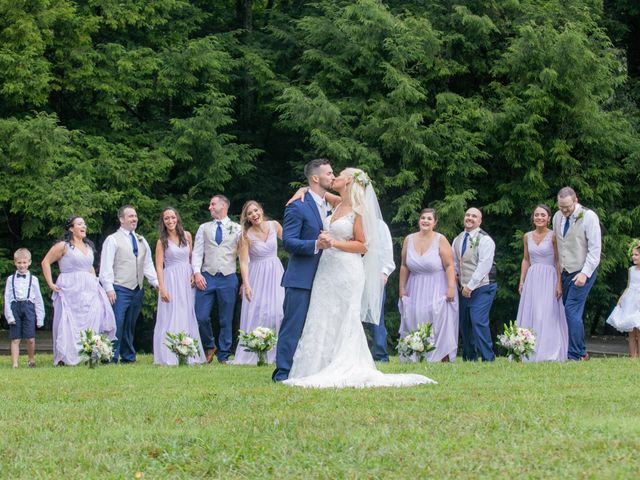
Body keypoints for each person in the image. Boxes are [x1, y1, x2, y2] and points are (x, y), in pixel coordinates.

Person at [283, 168, 434, 388]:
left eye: (340, 174)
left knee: (345, 317)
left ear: (350, 181)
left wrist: (334, 243)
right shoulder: (337, 202)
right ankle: (315, 366)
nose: (334, 176)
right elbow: (318, 191)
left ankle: (343, 364)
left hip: (346, 270)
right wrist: (303, 188)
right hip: (326, 271)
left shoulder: (359, 209)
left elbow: (363, 245)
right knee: (322, 315)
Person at [272, 158, 336, 382]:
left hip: (325, 277)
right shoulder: (296, 205)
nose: (333, 177)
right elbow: (288, 242)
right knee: (293, 325)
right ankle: (282, 373)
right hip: (301, 278)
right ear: (315, 178)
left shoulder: (329, 204)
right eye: (329, 173)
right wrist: (315, 245)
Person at [42, 217, 117, 366]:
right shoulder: (63, 246)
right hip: (70, 287)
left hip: (88, 288)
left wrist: (96, 283)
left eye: (84, 224)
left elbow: (89, 267)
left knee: (91, 319)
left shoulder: (88, 247)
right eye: (80, 224)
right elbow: (45, 262)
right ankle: (66, 356)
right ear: (71, 228)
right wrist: (50, 283)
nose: (84, 226)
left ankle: (88, 353)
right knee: (68, 321)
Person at [100, 205, 158, 363]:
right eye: (130, 216)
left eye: (135, 216)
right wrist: (109, 288)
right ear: (121, 219)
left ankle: (128, 356)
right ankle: (110, 356)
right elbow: (106, 266)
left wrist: (156, 283)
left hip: (137, 288)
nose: (134, 219)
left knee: (131, 324)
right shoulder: (112, 240)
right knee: (116, 323)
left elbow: (148, 265)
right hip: (119, 287)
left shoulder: (141, 239)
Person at [399, 208, 458, 362]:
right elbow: (404, 266)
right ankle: (417, 353)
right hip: (415, 286)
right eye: (423, 218)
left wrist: (451, 288)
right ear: (419, 220)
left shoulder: (440, 239)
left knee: (437, 319)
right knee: (414, 318)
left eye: (429, 219)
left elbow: (449, 265)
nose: (425, 221)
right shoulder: (409, 239)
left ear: (435, 222)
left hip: (437, 285)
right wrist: (402, 288)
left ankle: (441, 356)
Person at [232, 200, 285, 365]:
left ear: (261, 210)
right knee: (260, 312)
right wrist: (246, 283)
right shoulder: (245, 235)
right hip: (257, 275)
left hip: (276, 272)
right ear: (247, 218)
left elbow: (290, 242)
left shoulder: (274, 225)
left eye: (256, 211)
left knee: (278, 311)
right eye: (250, 213)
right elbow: (244, 262)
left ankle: (279, 351)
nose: (254, 215)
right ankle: (258, 351)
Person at [552, 187, 601, 361]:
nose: (564, 210)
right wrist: (559, 277)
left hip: (583, 270)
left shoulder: (589, 216)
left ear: (575, 200)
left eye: (567, 207)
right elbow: (559, 247)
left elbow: (595, 251)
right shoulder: (557, 217)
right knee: (570, 311)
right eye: (561, 206)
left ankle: (575, 355)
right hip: (566, 271)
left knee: (571, 309)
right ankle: (582, 352)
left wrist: (584, 274)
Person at [192, 195, 241, 364]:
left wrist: (244, 279)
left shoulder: (237, 228)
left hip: (228, 276)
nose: (210, 207)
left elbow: (243, 256)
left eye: (213, 204)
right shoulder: (203, 228)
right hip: (207, 276)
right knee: (201, 315)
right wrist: (197, 273)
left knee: (226, 318)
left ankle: (224, 355)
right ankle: (209, 344)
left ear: (223, 205)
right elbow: (197, 252)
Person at [153, 207, 205, 365]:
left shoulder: (187, 236)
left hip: (186, 281)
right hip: (171, 279)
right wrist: (162, 288)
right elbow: (159, 267)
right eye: (166, 218)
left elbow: (191, 259)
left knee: (187, 313)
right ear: (163, 221)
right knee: (170, 315)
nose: (170, 221)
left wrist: (193, 273)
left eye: (172, 217)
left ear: (177, 218)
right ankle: (169, 353)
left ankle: (188, 350)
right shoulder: (161, 242)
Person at [516, 205, 568, 361]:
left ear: (549, 218)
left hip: (549, 277)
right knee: (531, 311)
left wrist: (559, 283)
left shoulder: (553, 236)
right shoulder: (527, 236)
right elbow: (526, 259)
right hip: (532, 278)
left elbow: (558, 260)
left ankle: (548, 351)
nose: (539, 218)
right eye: (536, 215)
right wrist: (522, 280)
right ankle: (527, 349)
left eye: (543, 215)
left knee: (545, 314)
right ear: (533, 217)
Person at [452, 207, 497, 362]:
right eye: (467, 215)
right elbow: (456, 262)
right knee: (465, 324)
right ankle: (469, 357)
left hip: (483, 287)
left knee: (478, 320)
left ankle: (488, 357)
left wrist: (470, 286)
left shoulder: (485, 239)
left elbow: (485, 265)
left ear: (480, 221)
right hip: (463, 287)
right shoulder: (457, 239)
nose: (470, 218)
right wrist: (456, 279)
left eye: (474, 216)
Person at [4, 248, 45, 368]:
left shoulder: (34, 279)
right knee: (15, 338)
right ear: (15, 263)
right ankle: (15, 364)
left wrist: (40, 318)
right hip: (15, 307)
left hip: (29, 307)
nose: (22, 265)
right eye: (19, 263)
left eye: (24, 262)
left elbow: (38, 299)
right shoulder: (10, 279)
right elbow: (7, 298)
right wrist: (9, 316)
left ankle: (31, 360)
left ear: (29, 262)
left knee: (30, 338)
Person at [362, 219, 395, 362]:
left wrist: (385, 271)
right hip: (351, 272)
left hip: (373, 274)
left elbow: (387, 250)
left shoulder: (379, 224)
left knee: (377, 315)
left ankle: (380, 354)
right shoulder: (349, 220)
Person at [606, 240, 640, 357]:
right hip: (630, 300)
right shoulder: (631, 270)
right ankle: (632, 356)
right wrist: (622, 298)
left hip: (639, 302)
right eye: (633, 254)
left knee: (639, 330)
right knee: (631, 331)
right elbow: (629, 285)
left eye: (636, 254)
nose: (633, 257)